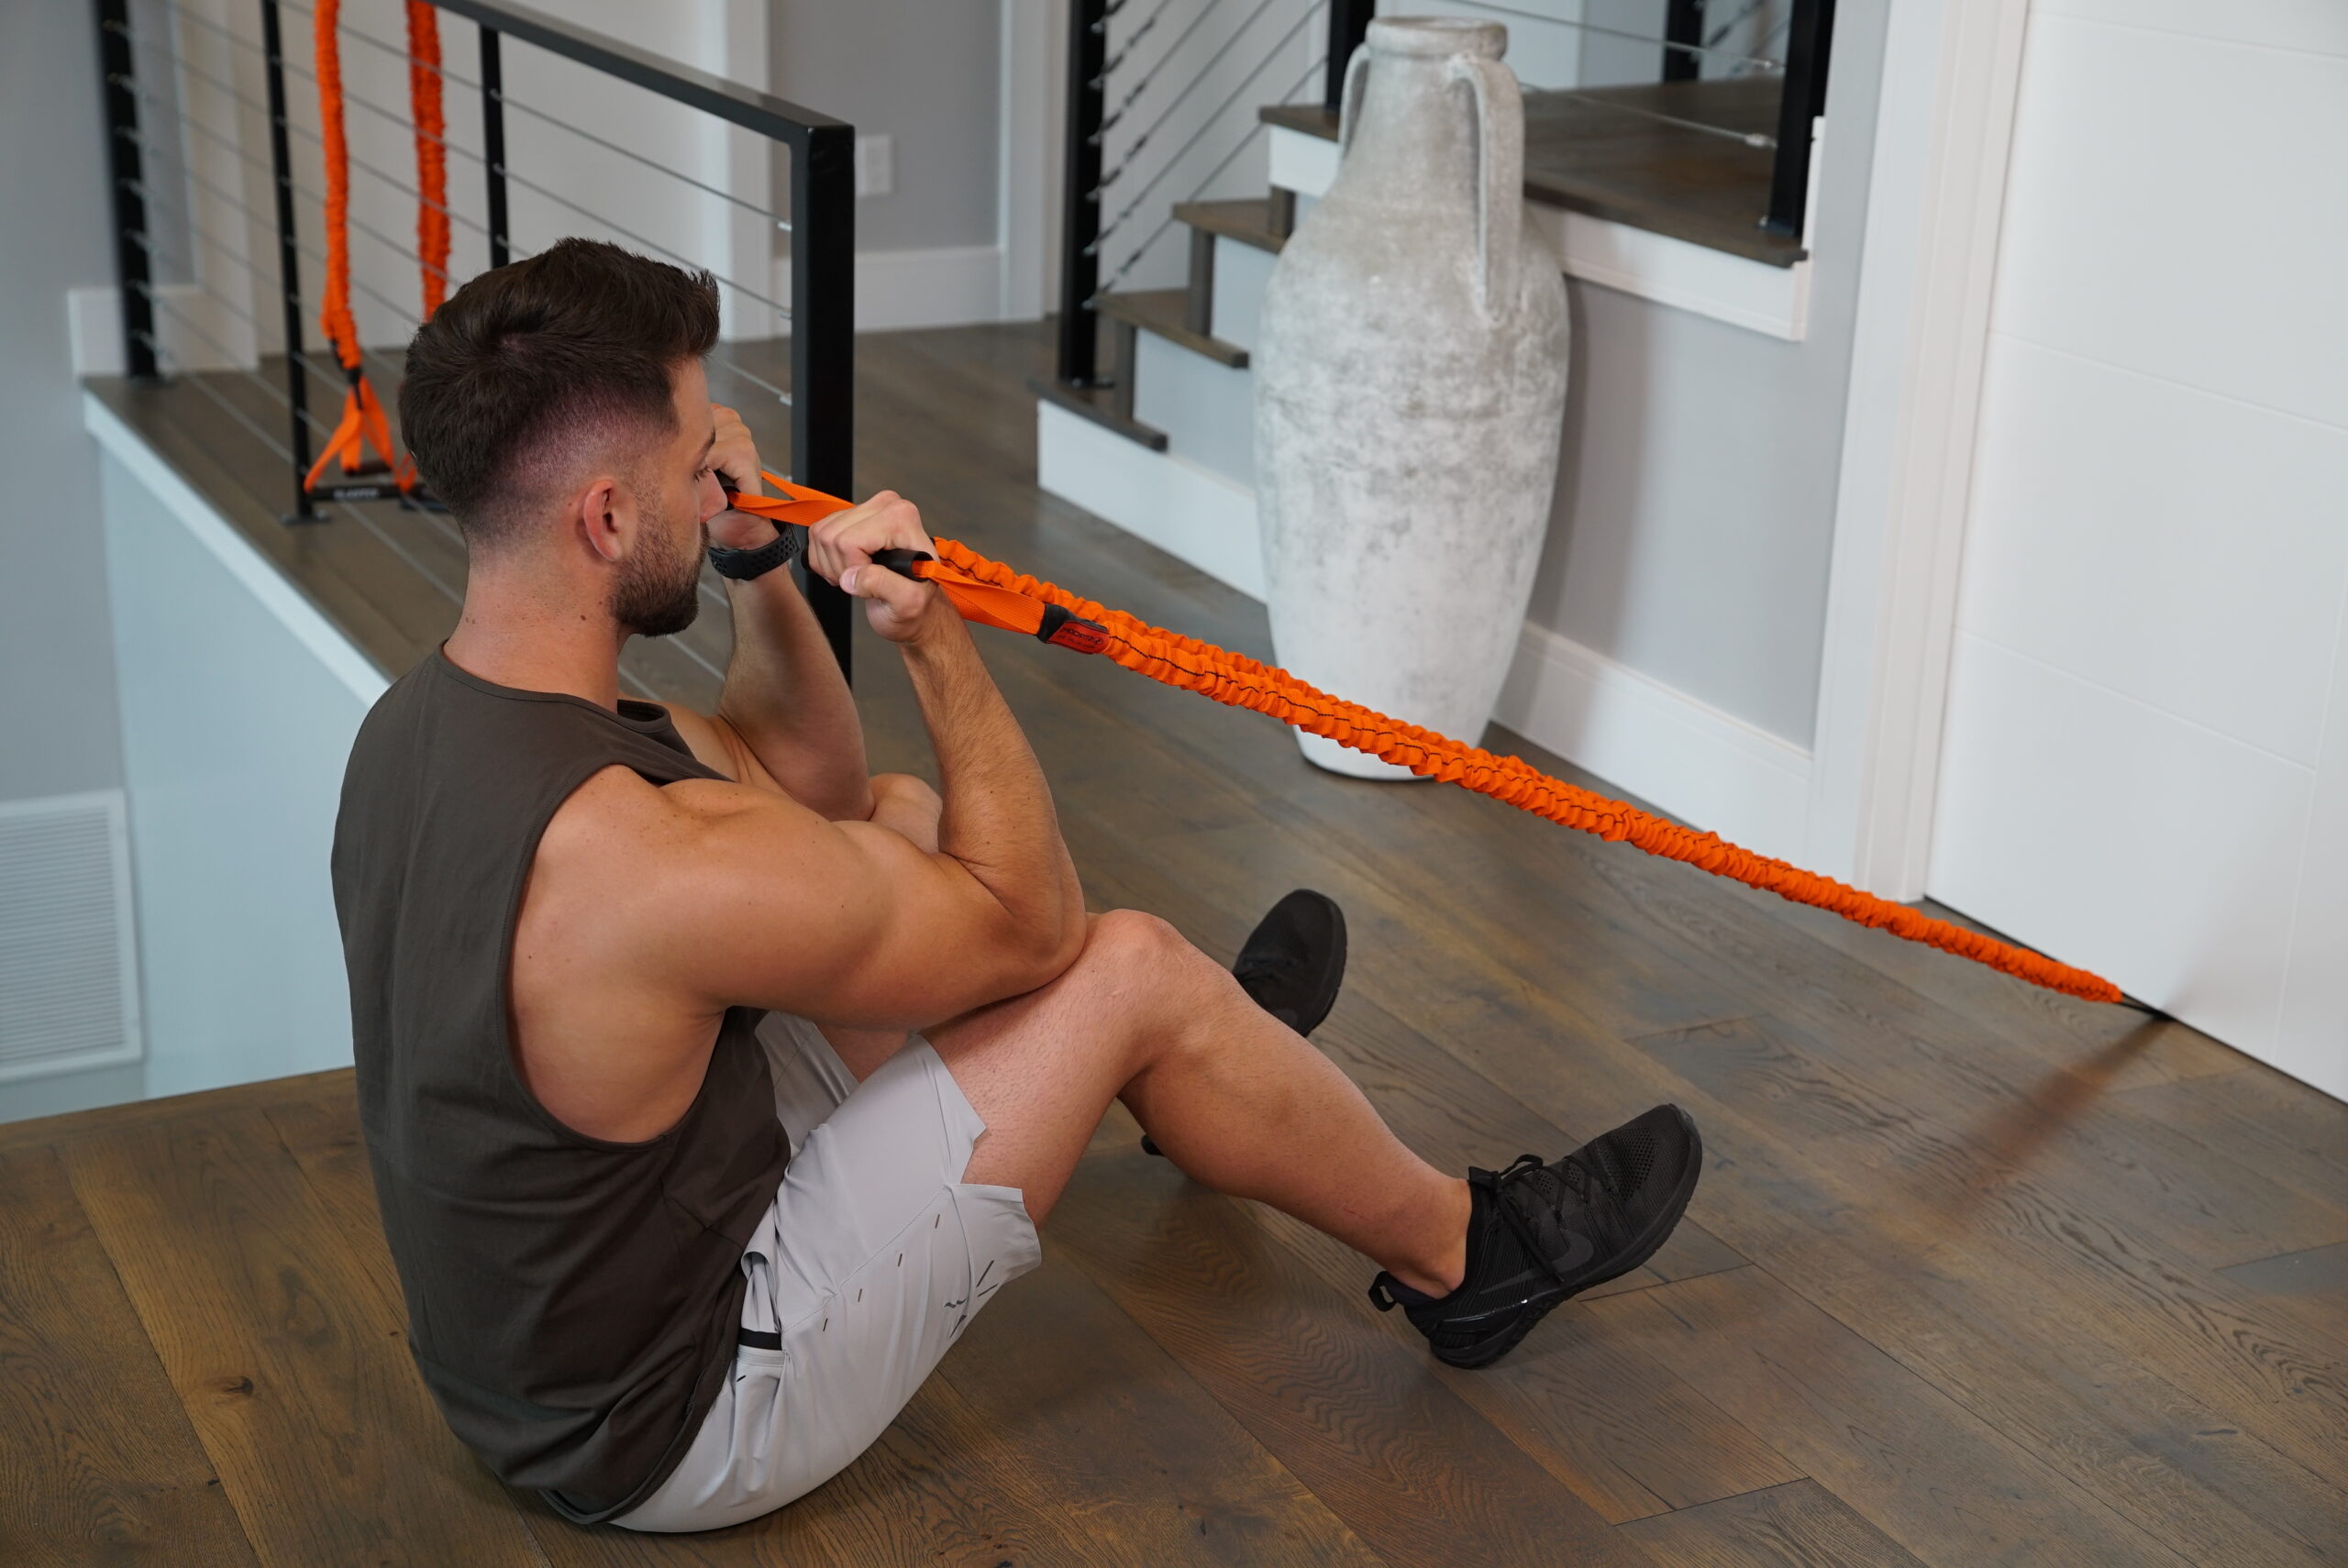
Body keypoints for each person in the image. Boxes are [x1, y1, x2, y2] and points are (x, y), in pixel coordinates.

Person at [330, 237, 1703, 1532]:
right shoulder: (639, 863)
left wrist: (755, 567)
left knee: (902, 816)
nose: (723, 482)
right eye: (700, 462)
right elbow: (1028, 921)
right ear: (606, 513)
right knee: (1123, 965)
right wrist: (932, 634)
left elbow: (801, 789)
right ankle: (1470, 1256)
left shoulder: (430, 722)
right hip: (670, 1416)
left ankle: (1200, 1078)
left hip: (540, 1347)